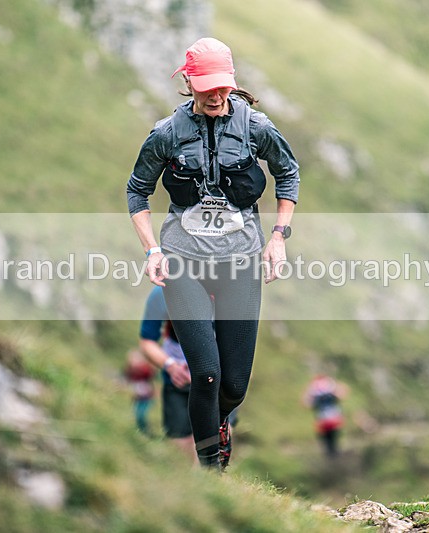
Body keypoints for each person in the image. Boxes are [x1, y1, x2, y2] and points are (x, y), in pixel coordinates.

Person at [127, 37, 300, 470]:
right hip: (183, 260)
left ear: (232, 81)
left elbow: (288, 174)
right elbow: (137, 191)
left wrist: (278, 236)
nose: (215, 95)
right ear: (189, 82)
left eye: (222, 85)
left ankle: (219, 423)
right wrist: (152, 250)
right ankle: (212, 473)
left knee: (234, 385)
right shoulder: (166, 134)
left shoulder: (256, 127)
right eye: (205, 86)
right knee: (205, 373)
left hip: (241, 261)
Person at [139, 285, 196, 460]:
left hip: (219, 385)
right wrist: (170, 366)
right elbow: (147, 341)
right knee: (180, 450)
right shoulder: (161, 292)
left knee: (214, 449)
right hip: (177, 384)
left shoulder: (229, 291)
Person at [303, 374, 348, 457]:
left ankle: (333, 454)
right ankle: (331, 455)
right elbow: (307, 403)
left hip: (330, 419)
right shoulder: (321, 391)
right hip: (326, 420)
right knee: (328, 440)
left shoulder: (326, 390)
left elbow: (342, 394)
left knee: (332, 439)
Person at [124, 349, 156, 434]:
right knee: (136, 413)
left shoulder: (145, 369)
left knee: (142, 414)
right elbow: (127, 379)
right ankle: (140, 430)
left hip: (146, 396)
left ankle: (146, 430)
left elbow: (150, 373)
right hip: (137, 396)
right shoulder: (129, 370)